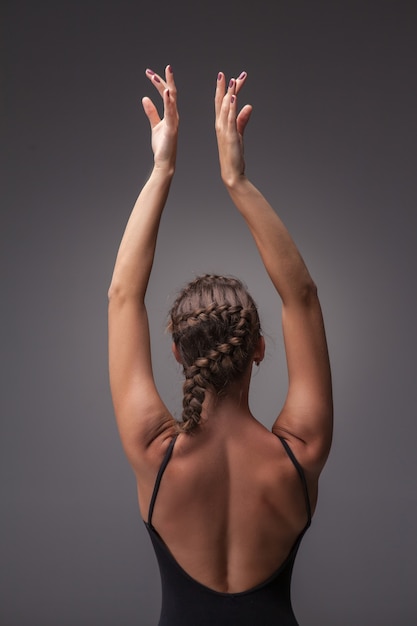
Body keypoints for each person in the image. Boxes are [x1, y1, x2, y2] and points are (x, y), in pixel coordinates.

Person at [108, 65, 333, 626]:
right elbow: (302, 297)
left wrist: (162, 168)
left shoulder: (154, 457)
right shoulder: (298, 456)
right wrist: (238, 181)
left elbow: (122, 297)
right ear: (258, 348)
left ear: (180, 355)